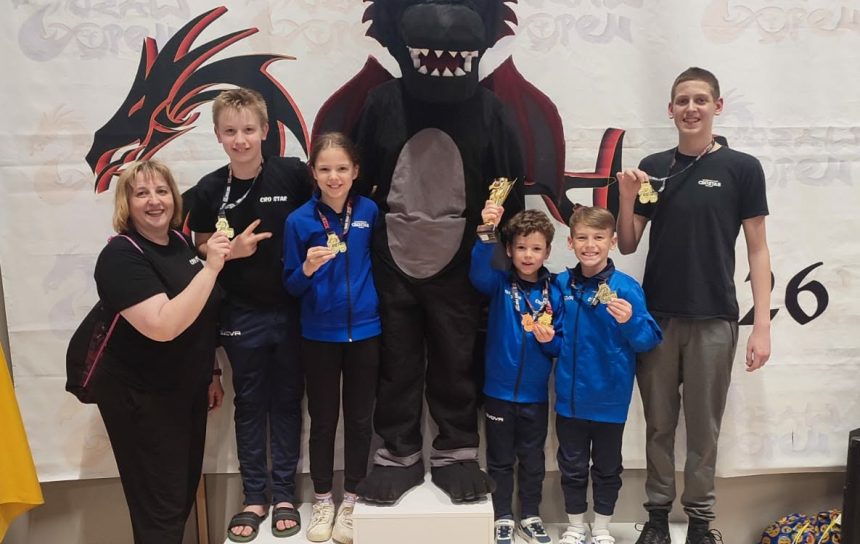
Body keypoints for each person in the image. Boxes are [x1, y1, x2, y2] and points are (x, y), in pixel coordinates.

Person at [615, 67, 771, 544]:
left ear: (717, 106)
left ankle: (701, 523)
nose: (691, 108)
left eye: (700, 100)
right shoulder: (654, 167)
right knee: (658, 426)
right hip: (657, 319)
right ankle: (657, 518)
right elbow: (627, 243)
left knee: (704, 429)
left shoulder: (742, 168)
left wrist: (762, 326)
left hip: (715, 318)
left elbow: (758, 249)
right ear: (670, 109)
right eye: (682, 100)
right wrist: (626, 199)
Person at [187, 88, 312, 542]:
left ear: (265, 131)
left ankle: (285, 495)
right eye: (230, 131)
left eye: (247, 130)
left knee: (287, 402)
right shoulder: (208, 188)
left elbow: (322, 213)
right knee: (250, 404)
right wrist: (231, 251)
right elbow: (200, 246)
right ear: (218, 135)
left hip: (293, 309)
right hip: (240, 313)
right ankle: (254, 497)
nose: (240, 140)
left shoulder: (292, 175)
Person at [93, 160, 228, 544]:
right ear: (126, 203)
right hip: (141, 399)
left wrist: (212, 372)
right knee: (160, 510)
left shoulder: (179, 243)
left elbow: (199, 314)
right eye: (142, 193)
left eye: (162, 191)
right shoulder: (121, 256)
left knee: (179, 497)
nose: (154, 201)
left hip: (185, 390)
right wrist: (212, 268)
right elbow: (163, 325)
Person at [283, 132, 381, 544]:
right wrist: (306, 269)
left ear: (355, 171)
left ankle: (352, 498)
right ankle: (323, 498)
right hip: (318, 335)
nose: (334, 177)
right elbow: (290, 285)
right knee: (323, 420)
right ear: (313, 173)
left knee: (359, 420)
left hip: (366, 332)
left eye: (342, 168)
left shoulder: (370, 211)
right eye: (325, 169)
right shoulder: (299, 221)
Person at [553, 206, 662, 544]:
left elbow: (648, 341)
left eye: (598, 238)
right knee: (571, 467)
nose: (590, 245)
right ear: (570, 242)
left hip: (610, 401)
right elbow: (554, 335)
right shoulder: (560, 284)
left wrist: (630, 320)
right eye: (582, 238)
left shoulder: (626, 288)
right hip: (569, 401)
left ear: (613, 242)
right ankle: (575, 526)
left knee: (607, 467)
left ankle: (601, 527)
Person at [469, 205, 564, 544]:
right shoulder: (499, 283)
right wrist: (487, 231)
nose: (528, 255)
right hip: (498, 391)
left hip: (535, 395)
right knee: (499, 459)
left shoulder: (555, 291)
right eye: (521, 247)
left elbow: (561, 344)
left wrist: (551, 341)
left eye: (536, 248)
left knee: (532, 459)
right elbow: (477, 275)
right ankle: (503, 515)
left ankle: (531, 514)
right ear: (509, 249)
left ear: (547, 252)